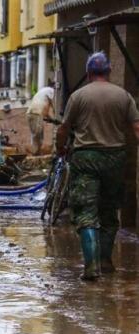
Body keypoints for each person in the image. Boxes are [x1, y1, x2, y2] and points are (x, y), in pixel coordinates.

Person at [56, 52, 139, 281]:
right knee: (110, 211)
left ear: (89, 72)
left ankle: (91, 266)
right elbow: (136, 129)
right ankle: (105, 260)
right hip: (116, 158)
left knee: (86, 211)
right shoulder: (124, 96)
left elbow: (64, 128)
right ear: (109, 71)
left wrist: (60, 147)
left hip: (86, 158)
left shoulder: (78, 96)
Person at [26, 86, 55, 154]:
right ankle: (37, 152)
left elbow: (44, 106)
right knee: (38, 135)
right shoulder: (52, 91)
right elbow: (54, 105)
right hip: (36, 113)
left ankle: (36, 151)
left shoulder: (43, 91)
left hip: (30, 113)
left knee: (35, 134)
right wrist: (55, 117)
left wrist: (50, 118)